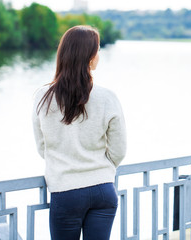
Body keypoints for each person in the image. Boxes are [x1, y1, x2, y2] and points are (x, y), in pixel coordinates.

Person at [32, 25, 127, 240]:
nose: (98, 55)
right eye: (98, 50)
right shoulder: (107, 97)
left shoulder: (42, 97)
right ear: (90, 57)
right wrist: (100, 167)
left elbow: (42, 147)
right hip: (103, 188)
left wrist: (65, 160)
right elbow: (119, 149)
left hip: (65, 190)